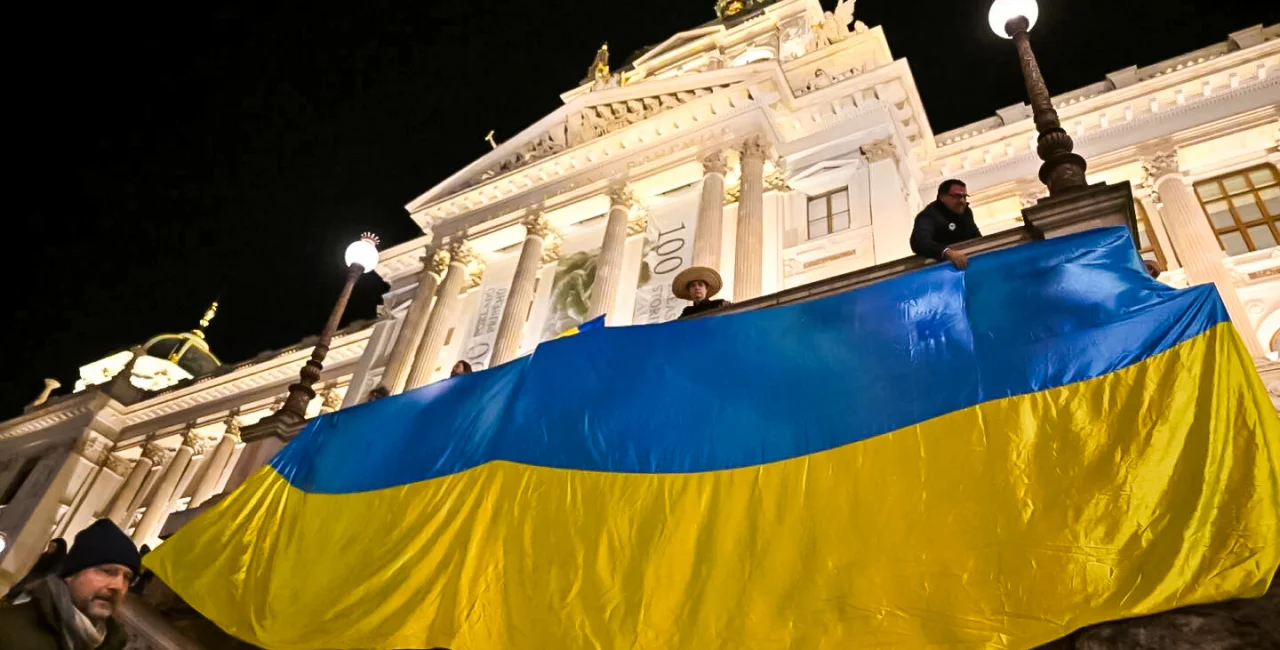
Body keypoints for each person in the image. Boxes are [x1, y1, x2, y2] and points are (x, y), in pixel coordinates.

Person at [0, 519, 140, 650]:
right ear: (71, 575)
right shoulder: (7, 631)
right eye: (107, 571)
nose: (118, 586)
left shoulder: (113, 642)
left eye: (127, 577)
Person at [910, 179, 982, 269]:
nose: (962, 201)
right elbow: (919, 241)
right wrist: (947, 252)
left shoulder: (966, 212)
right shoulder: (929, 215)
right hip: (942, 269)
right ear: (942, 197)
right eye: (957, 196)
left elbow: (975, 236)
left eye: (964, 197)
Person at [2, 538, 66, 604]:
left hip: (37, 586)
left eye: (53, 547)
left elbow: (48, 576)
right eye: (49, 546)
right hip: (29, 581)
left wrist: (33, 583)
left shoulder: (58, 564)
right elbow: (32, 571)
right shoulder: (45, 556)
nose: (49, 549)